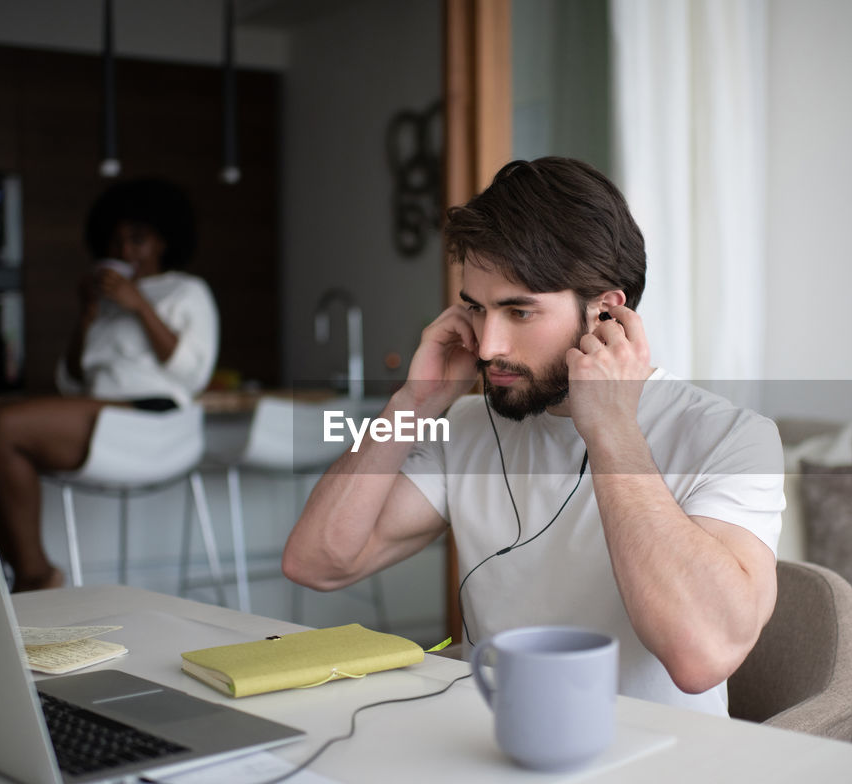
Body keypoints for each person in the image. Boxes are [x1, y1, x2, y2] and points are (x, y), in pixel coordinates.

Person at [283, 158, 784, 715]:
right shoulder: (468, 427)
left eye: (519, 311)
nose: (489, 344)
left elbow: (701, 657)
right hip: (491, 750)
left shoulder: (732, 438)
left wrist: (613, 429)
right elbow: (318, 562)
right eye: (476, 309)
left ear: (605, 313)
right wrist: (414, 403)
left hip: (655, 774)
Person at [0, 178, 219, 592]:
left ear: (163, 240)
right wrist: (88, 315)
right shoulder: (108, 301)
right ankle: (20, 564)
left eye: (138, 240)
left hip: (152, 418)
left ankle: (35, 575)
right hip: (98, 412)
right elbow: (71, 381)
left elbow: (192, 373)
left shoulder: (187, 290)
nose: (126, 252)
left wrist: (140, 305)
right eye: (117, 242)